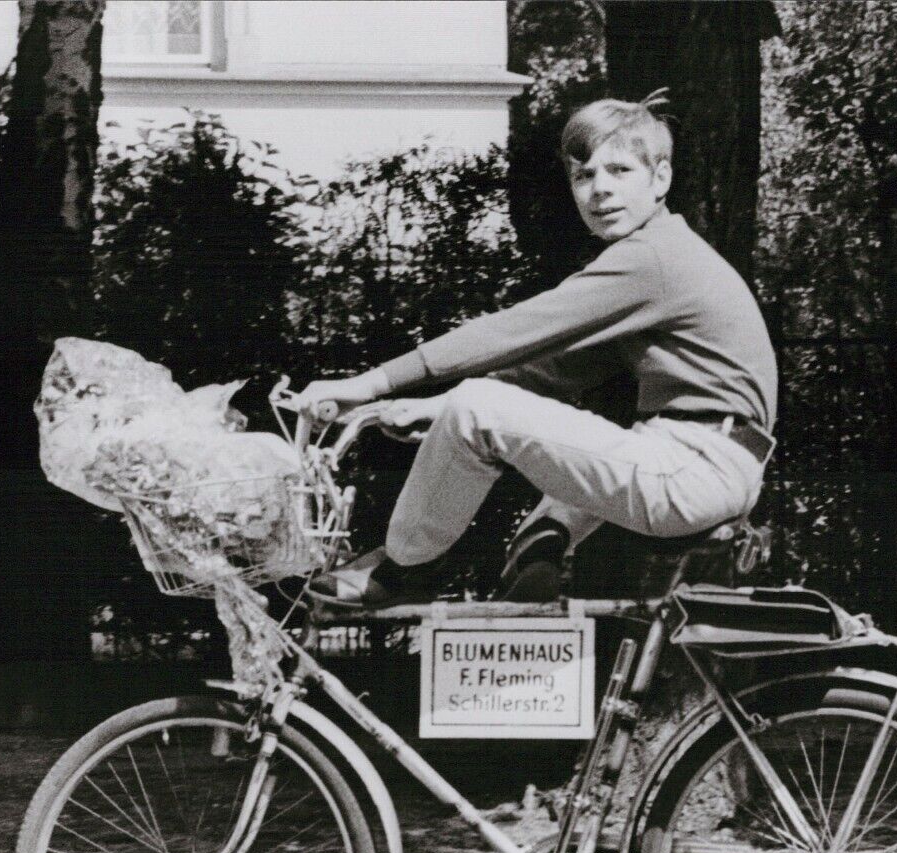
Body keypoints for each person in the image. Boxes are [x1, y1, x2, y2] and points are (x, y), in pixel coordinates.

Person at [297, 94, 778, 608]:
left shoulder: (652, 259)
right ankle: (538, 557)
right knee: (538, 467)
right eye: (584, 176)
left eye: (619, 170)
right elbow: (555, 370)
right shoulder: (660, 262)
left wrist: (371, 383)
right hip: (707, 460)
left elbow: (515, 330)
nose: (600, 190)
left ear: (660, 179)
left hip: (693, 465)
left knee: (477, 407)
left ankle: (404, 570)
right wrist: (433, 408)